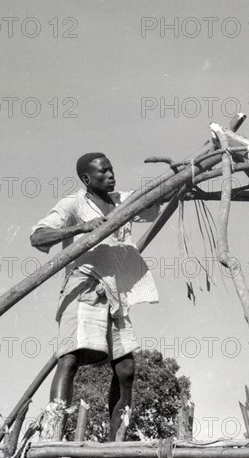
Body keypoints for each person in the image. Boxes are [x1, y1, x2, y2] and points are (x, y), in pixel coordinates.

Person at [30, 152, 160, 440]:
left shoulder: (121, 201)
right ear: (87, 178)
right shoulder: (74, 203)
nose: (111, 175)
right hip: (83, 288)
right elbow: (38, 236)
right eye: (103, 172)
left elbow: (152, 204)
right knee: (70, 359)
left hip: (114, 293)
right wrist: (80, 227)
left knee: (126, 368)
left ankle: (116, 446)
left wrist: (181, 176)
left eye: (111, 169)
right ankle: (52, 435)